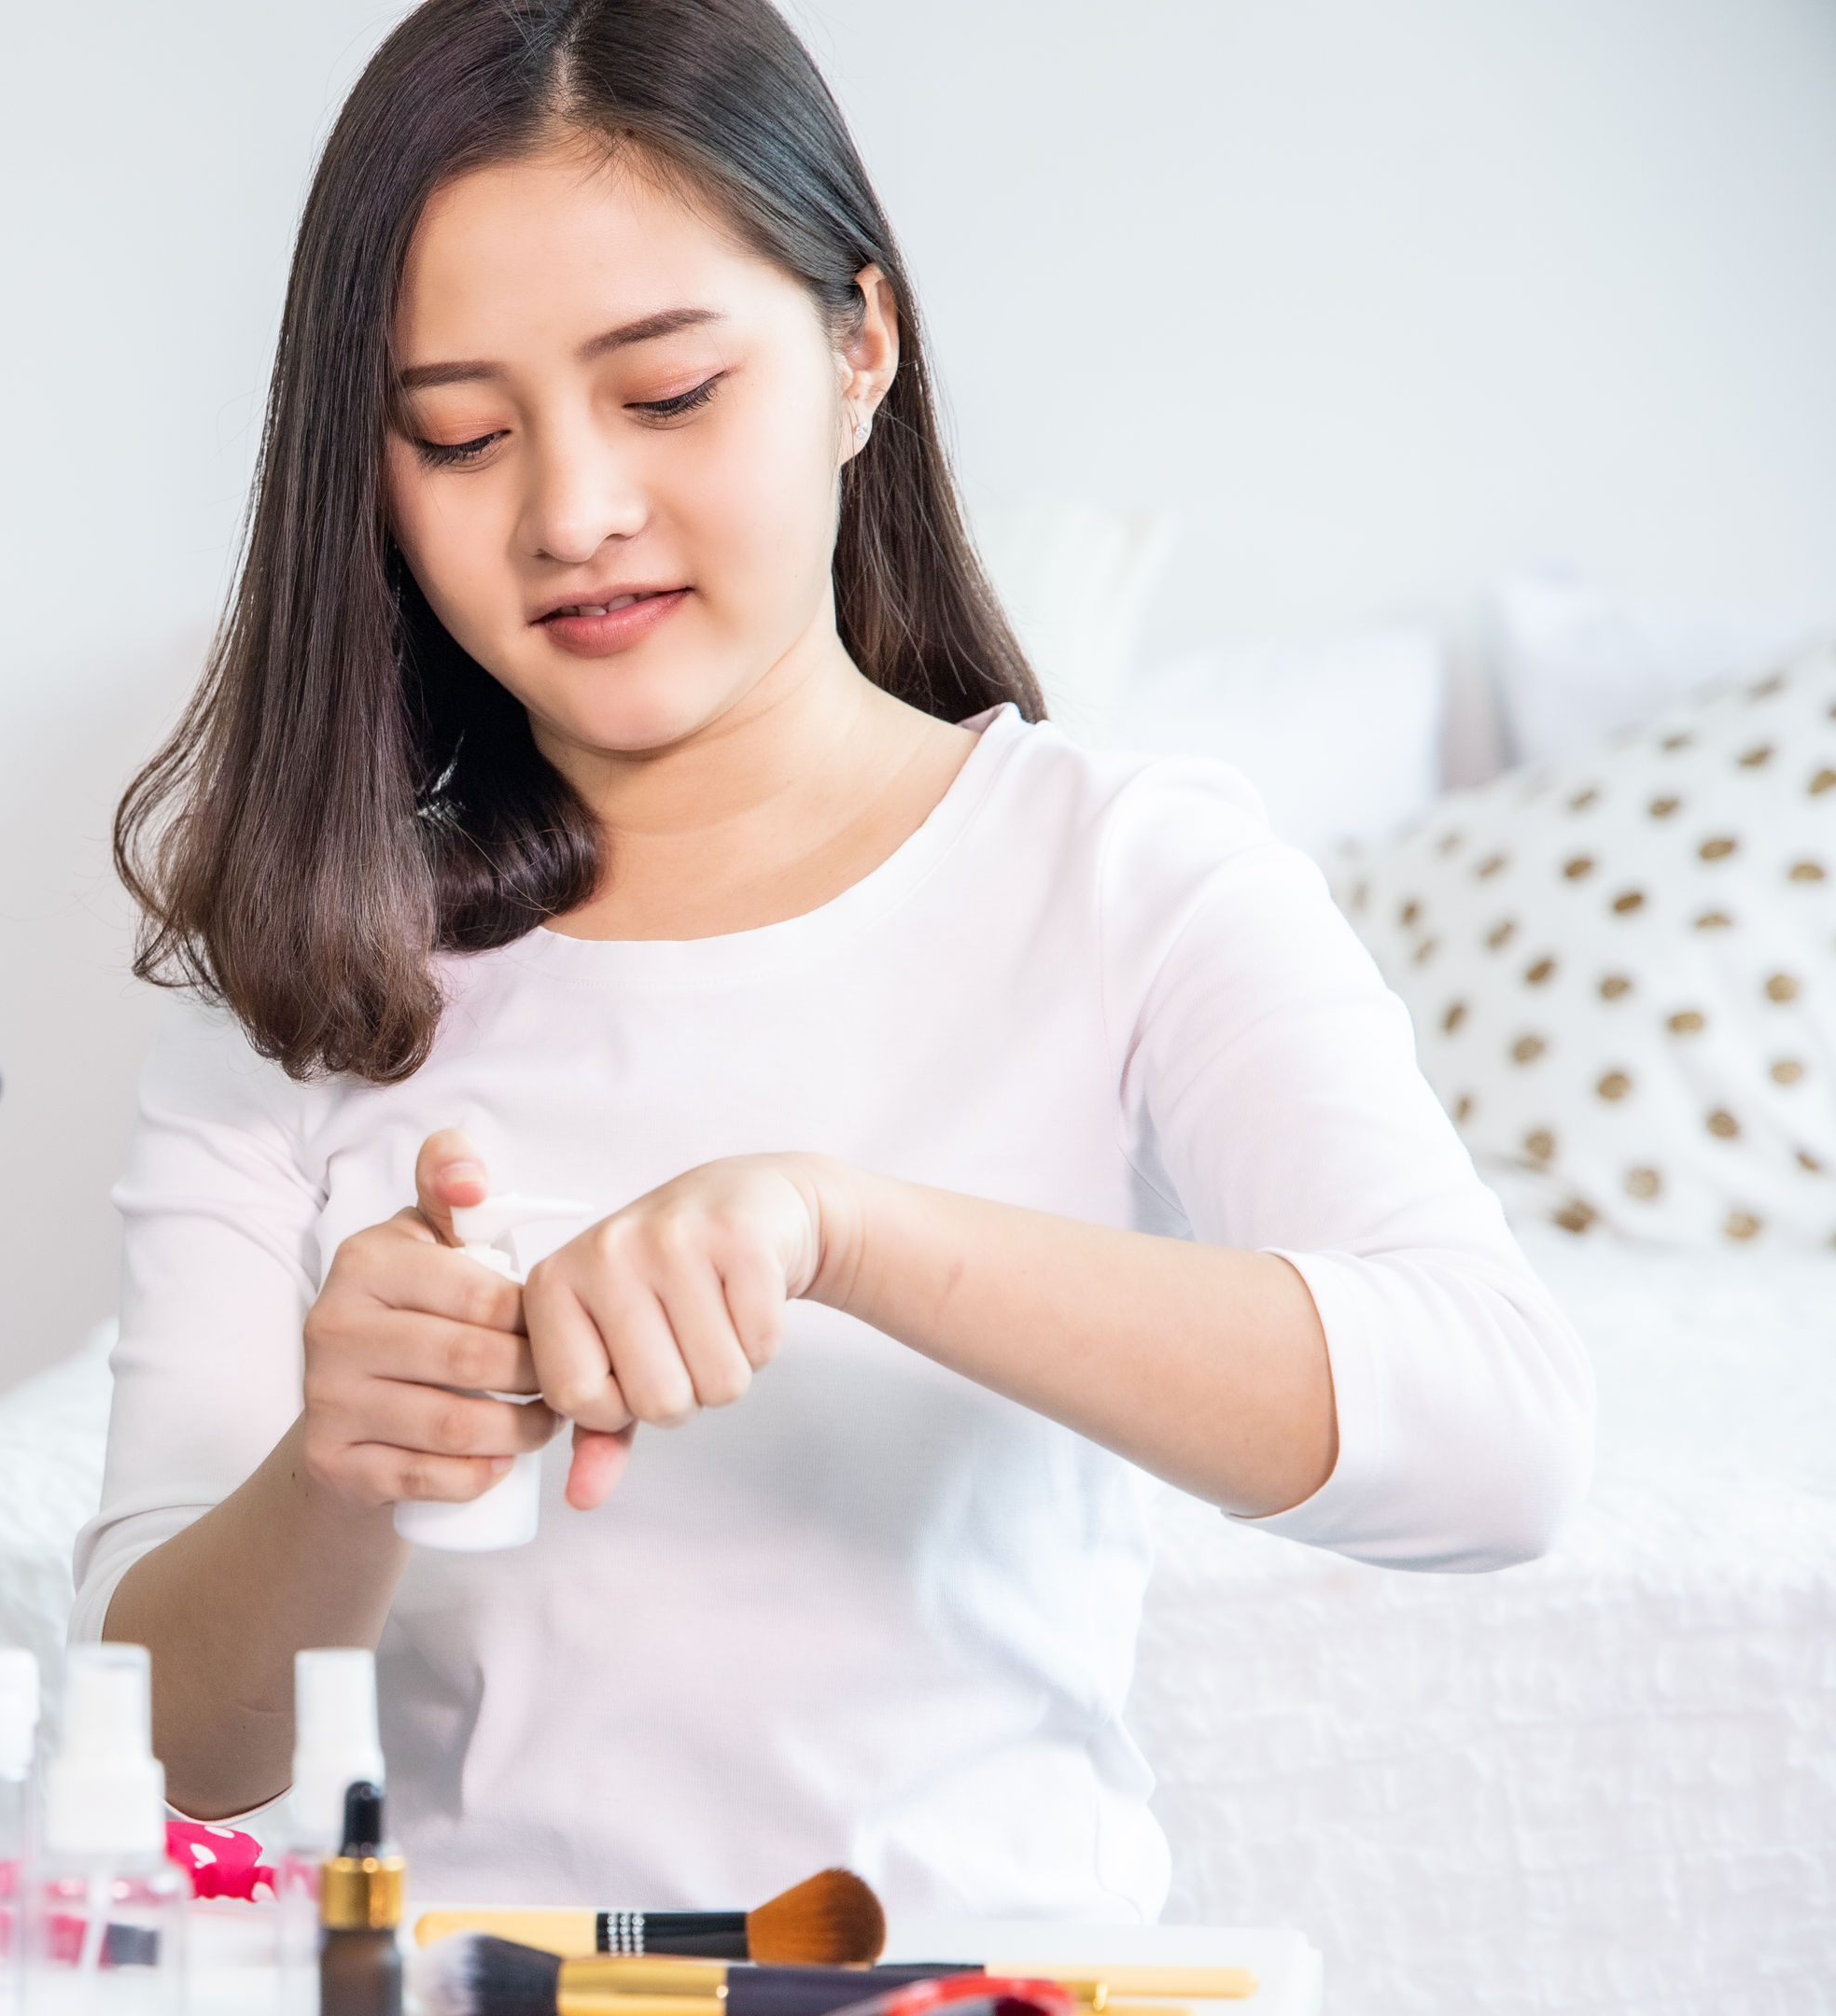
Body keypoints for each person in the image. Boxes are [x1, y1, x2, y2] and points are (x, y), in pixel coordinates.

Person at [79, 0, 1591, 1919]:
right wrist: (337, 1471)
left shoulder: (1127, 876)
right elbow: (157, 1759)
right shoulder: (312, 971)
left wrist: (843, 1232)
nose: (571, 514)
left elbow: (1502, 1444)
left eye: (668, 393)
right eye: (459, 435)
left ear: (858, 347)